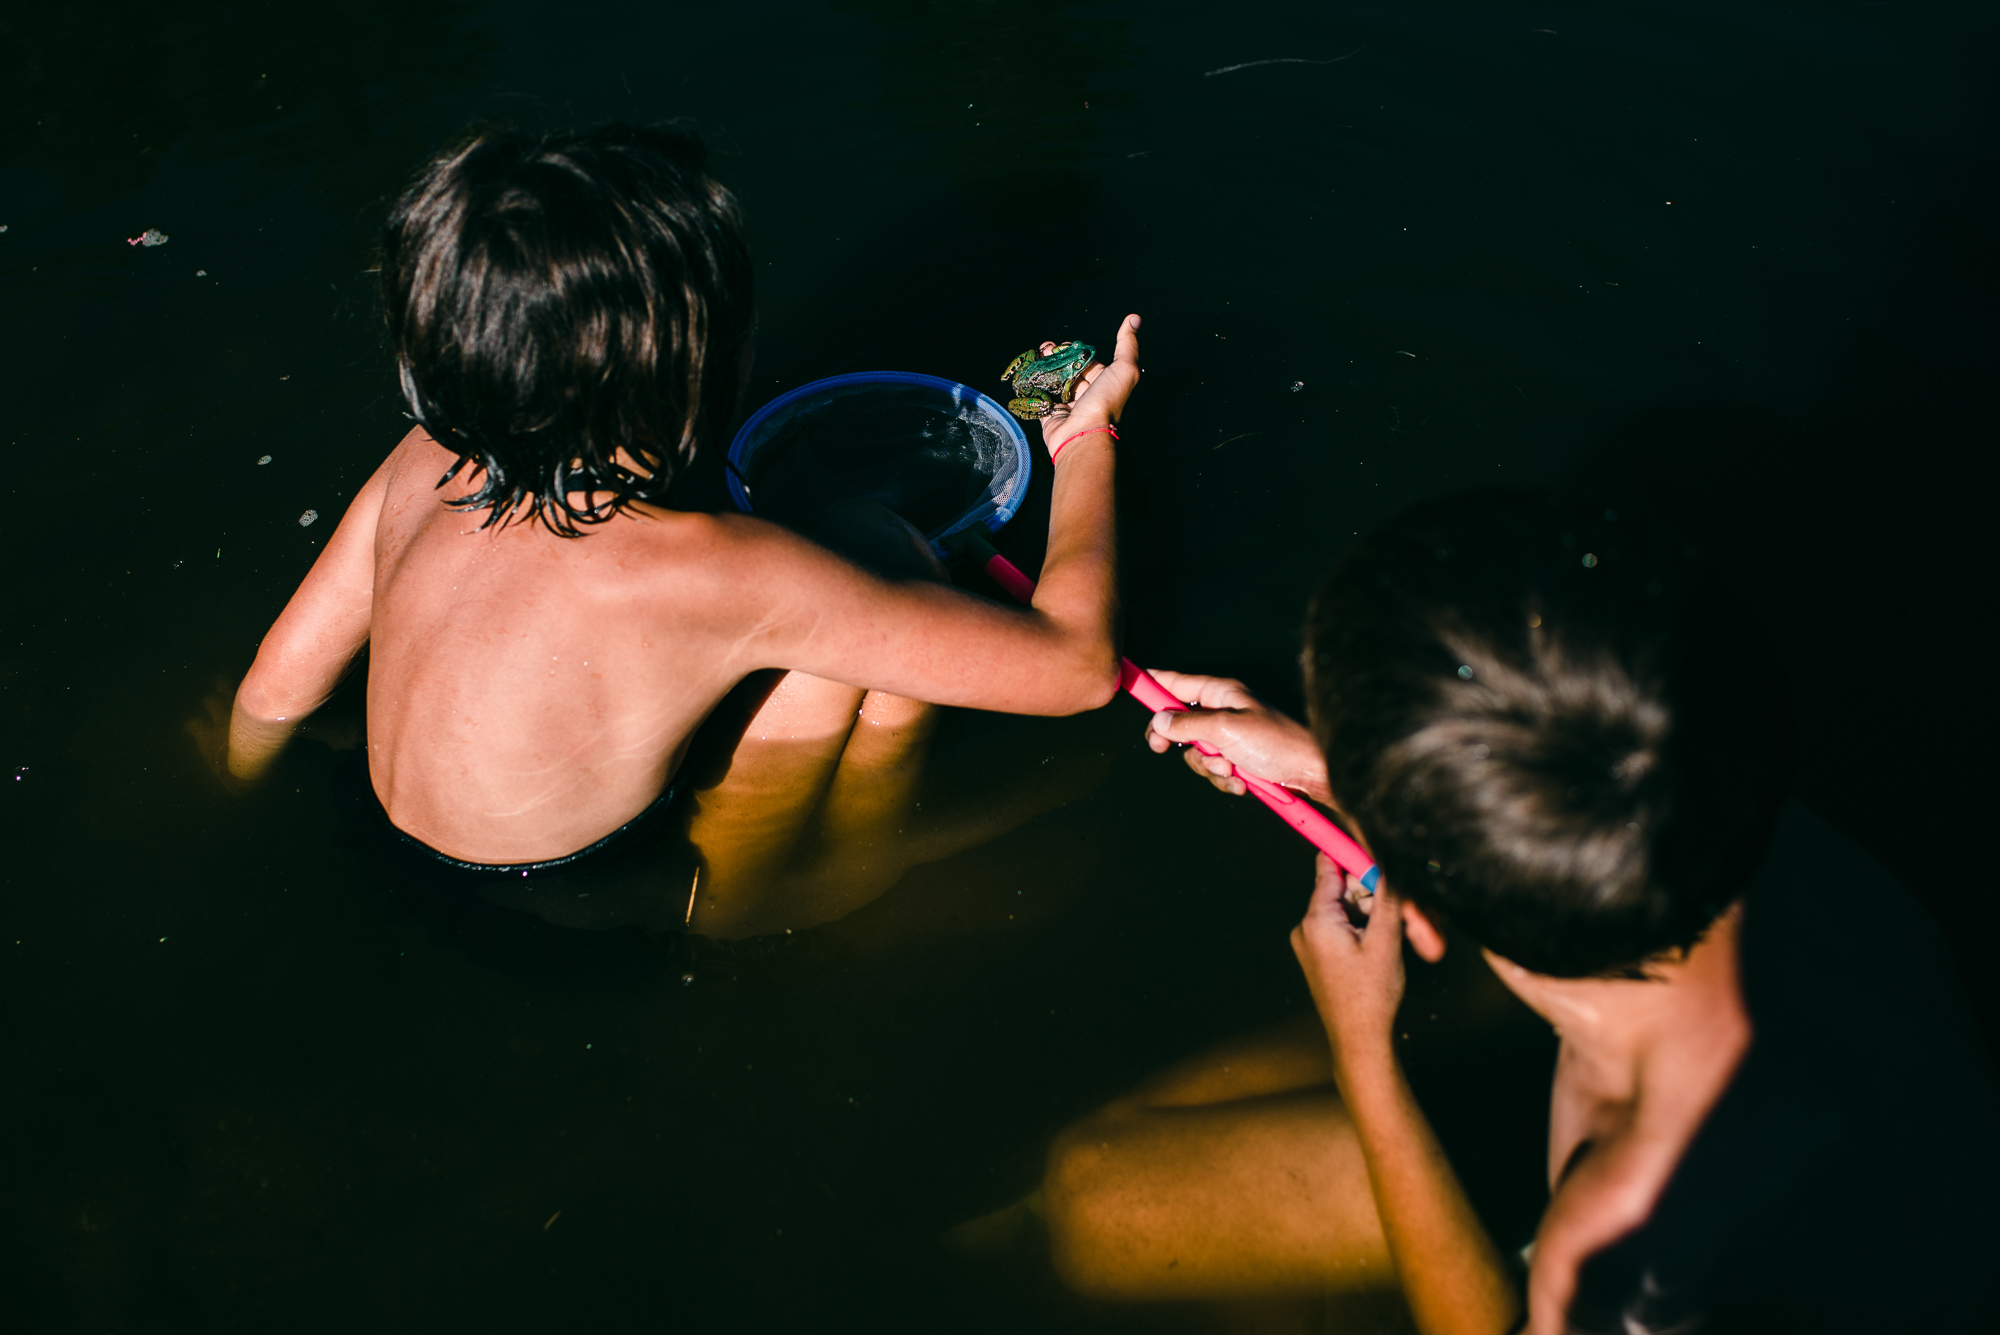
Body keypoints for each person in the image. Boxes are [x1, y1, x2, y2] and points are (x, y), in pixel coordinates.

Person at [1039, 490, 1999, 1333]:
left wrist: (1364, 1049)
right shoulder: (1739, 813)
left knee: (1094, 1201)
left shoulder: (1629, 1233)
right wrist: (1347, 773)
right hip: (1896, 1142)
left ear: (1423, 920)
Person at [200, 122, 1141, 939]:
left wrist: (234, 800)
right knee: (881, 553)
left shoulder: (426, 454)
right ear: (693, 359)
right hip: (591, 908)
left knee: (827, 595)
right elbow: (1077, 669)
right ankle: (815, 899)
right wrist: (1085, 438)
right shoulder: (719, 574)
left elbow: (273, 695)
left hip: (379, 838)